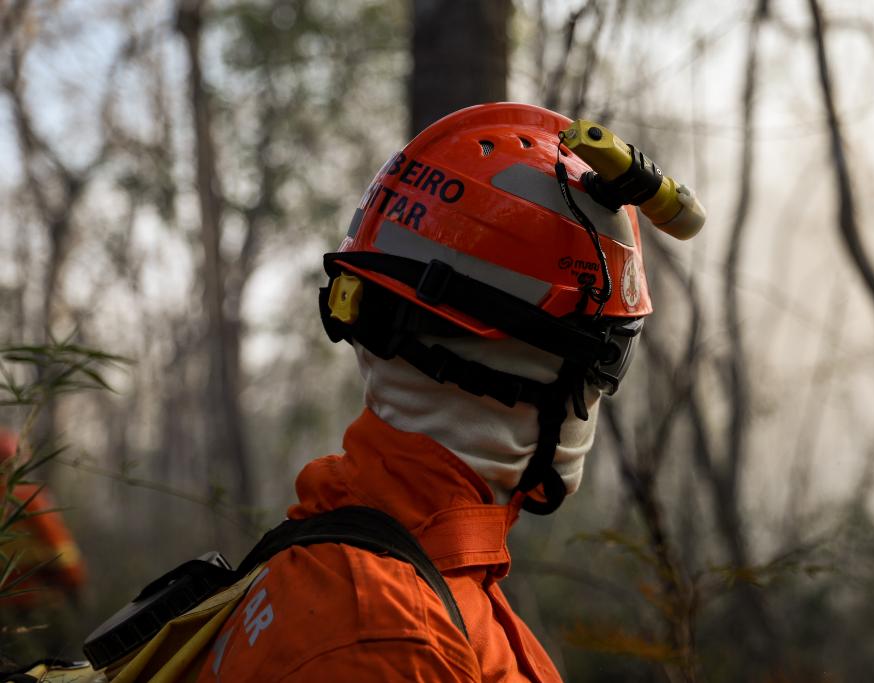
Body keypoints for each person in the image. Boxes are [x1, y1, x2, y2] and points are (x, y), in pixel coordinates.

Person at [195, 102, 702, 682]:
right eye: (607, 358)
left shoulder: (388, 564)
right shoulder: (389, 637)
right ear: (540, 362)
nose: (598, 395)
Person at [0, 429, 87, 664]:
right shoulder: (26, 498)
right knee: (63, 668)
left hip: (5, 613)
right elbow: (64, 554)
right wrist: (75, 587)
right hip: (35, 606)